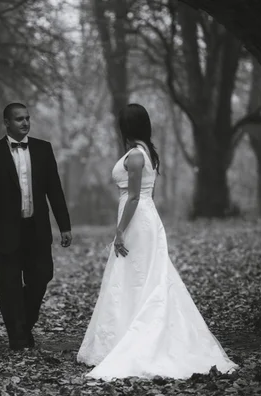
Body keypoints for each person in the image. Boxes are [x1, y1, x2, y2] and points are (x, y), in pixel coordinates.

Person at [76, 103, 238, 380]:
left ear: (126, 128)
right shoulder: (145, 152)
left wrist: (119, 231)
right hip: (142, 218)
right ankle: (122, 334)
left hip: (137, 220)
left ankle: (140, 337)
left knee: (140, 276)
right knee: (135, 276)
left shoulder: (137, 156)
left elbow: (135, 197)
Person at [0, 102, 72, 350]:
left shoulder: (43, 149)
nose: (25, 123)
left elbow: (55, 190)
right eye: (19, 119)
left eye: (27, 118)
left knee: (42, 275)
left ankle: (24, 323)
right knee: (9, 286)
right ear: (6, 122)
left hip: (37, 229)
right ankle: (17, 337)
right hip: (6, 231)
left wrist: (64, 225)